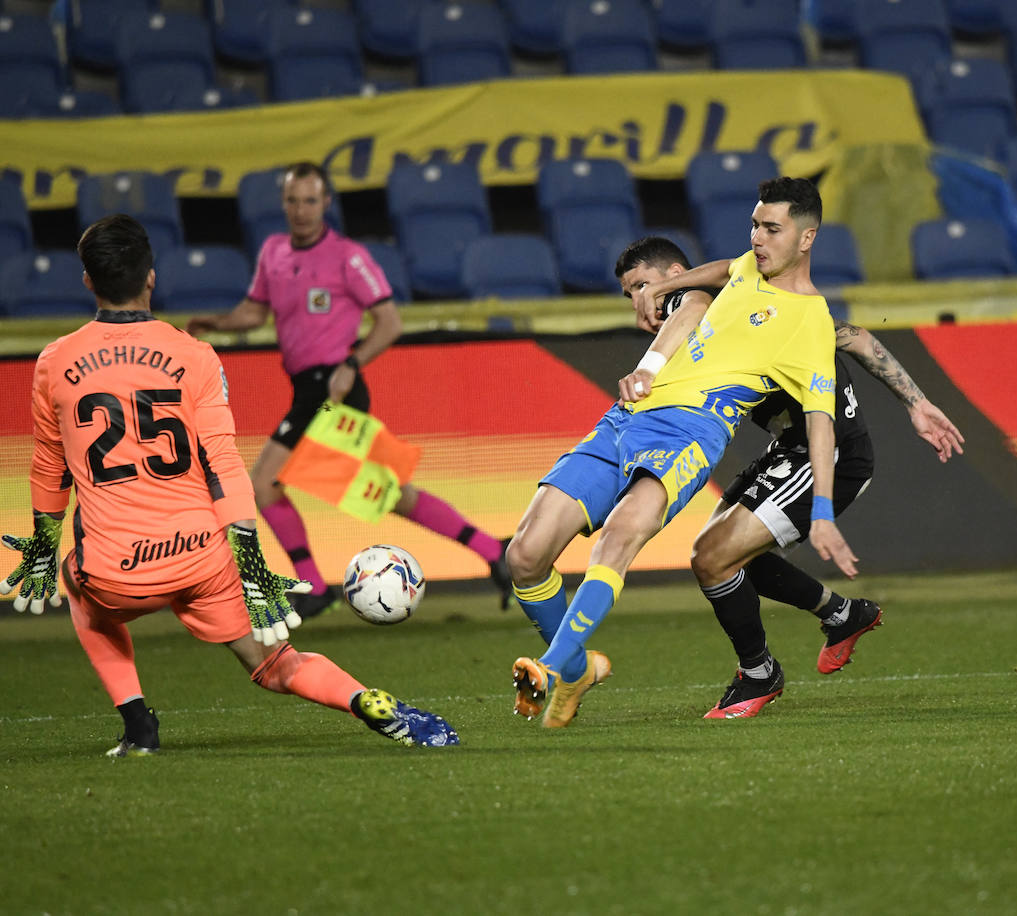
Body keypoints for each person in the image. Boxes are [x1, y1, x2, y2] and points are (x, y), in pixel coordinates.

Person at [1, 214, 459, 753]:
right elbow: (222, 465)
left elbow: (49, 469)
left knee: (76, 583)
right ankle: (364, 700)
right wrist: (252, 563)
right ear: (151, 277)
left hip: (118, 571)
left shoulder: (55, 362)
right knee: (276, 663)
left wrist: (40, 547)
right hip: (203, 557)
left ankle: (138, 725)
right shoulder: (194, 356)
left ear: (87, 280)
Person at [505, 177, 853, 728]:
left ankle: (549, 667)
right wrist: (655, 289)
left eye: (771, 229)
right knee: (523, 556)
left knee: (621, 534)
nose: (757, 239)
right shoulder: (743, 270)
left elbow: (820, 421)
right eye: (754, 226)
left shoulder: (809, 322)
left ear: (806, 239)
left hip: (690, 432)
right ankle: (576, 669)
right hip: (622, 421)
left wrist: (826, 512)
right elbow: (720, 269)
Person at [618, 238, 965, 718]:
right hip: (787, 448)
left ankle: (759, 674)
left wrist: (917, 403)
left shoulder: (765, 310)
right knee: (723, 555)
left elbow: (854, 337)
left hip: (830, 453)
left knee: (714, 557)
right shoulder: (727, 306)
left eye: (641, 286)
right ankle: (844, 615)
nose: (639, 300)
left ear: (676, 272)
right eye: (629, 294)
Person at [185, 162, 510, 618]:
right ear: (284, 204)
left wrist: (352, 362)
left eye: (310, 201)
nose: (301, 210)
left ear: (326, 204)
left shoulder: (347, 257)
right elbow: (254, 314)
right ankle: (493, 551)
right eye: (294, 201)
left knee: (264, 483)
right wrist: (214, 323)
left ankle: (315, 586)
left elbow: (390, 322)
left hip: (335, 389)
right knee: (385, 492)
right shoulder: (274, 252)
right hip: (307, 389)